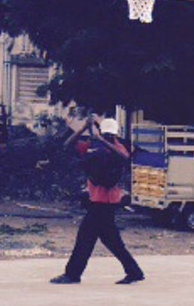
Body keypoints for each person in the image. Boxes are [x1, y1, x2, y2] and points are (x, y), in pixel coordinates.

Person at [51, 116, 144, 285]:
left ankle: (72, 274)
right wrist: (82, 129)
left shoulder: (112, 147)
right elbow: (67, 146)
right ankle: (134, 271)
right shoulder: (97, 146)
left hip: (103, 202)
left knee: (85, 238)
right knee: (111, 240)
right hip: (102, 201)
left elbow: (124, 157)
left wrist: (101, 140)